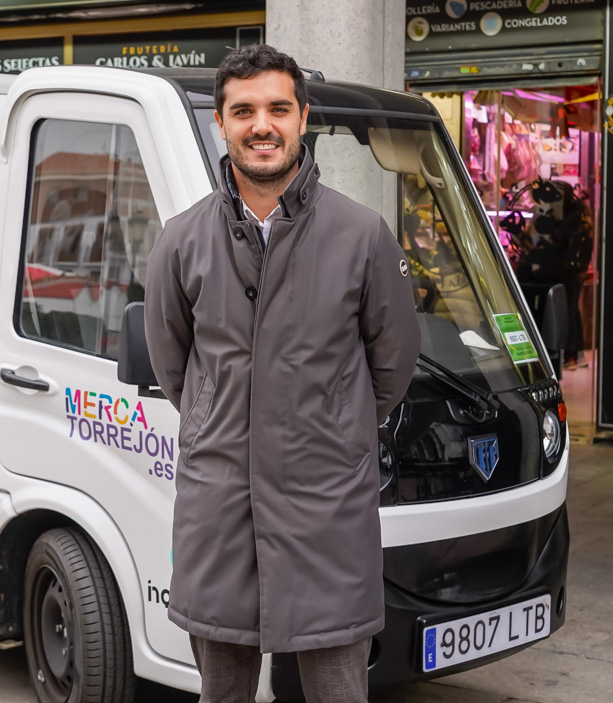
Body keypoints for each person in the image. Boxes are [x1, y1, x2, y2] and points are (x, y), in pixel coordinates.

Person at [145, 45, 420, 703]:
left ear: (302, 119)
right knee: (223, 693)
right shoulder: (181, 241)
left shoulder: (362, 235)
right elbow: (174, 364)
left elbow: (392, 364)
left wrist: (330, 429)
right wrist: (228, 425)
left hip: (328, 514)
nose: (260, 125)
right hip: (220, 513)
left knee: (336, 691)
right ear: (221, 123)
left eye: (277, 108)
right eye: (243, 111)